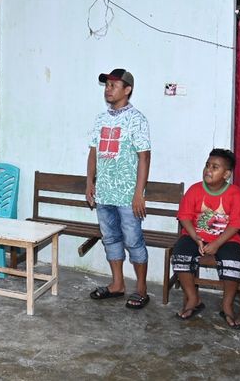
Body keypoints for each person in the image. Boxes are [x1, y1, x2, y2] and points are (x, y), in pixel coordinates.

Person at [86, 68, 151, 310]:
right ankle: (117, 284)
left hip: (127, 195)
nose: (108, 89)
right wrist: (89, 183)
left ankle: (141, 289)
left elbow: (144, 158)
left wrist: (138, 194)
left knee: (134, 240)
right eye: (106, 85)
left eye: (114, 85)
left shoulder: (137, 119)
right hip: (104, 192)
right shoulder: (101, 119)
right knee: (110, 238)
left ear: (127, 89)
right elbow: (93, 152)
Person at [171, 149, 240, 328]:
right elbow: (184, 217)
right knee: (180, 254)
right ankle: (193, 299)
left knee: (233, 262)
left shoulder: (235, 193)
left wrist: (216, 243)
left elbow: (236, 224)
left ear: (227, 174)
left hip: (226, 239)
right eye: (207, 165)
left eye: (215, 167)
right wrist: (196, 237)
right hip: (196, 236)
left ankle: (227, 305)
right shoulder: (195, 189)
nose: (208, 170)